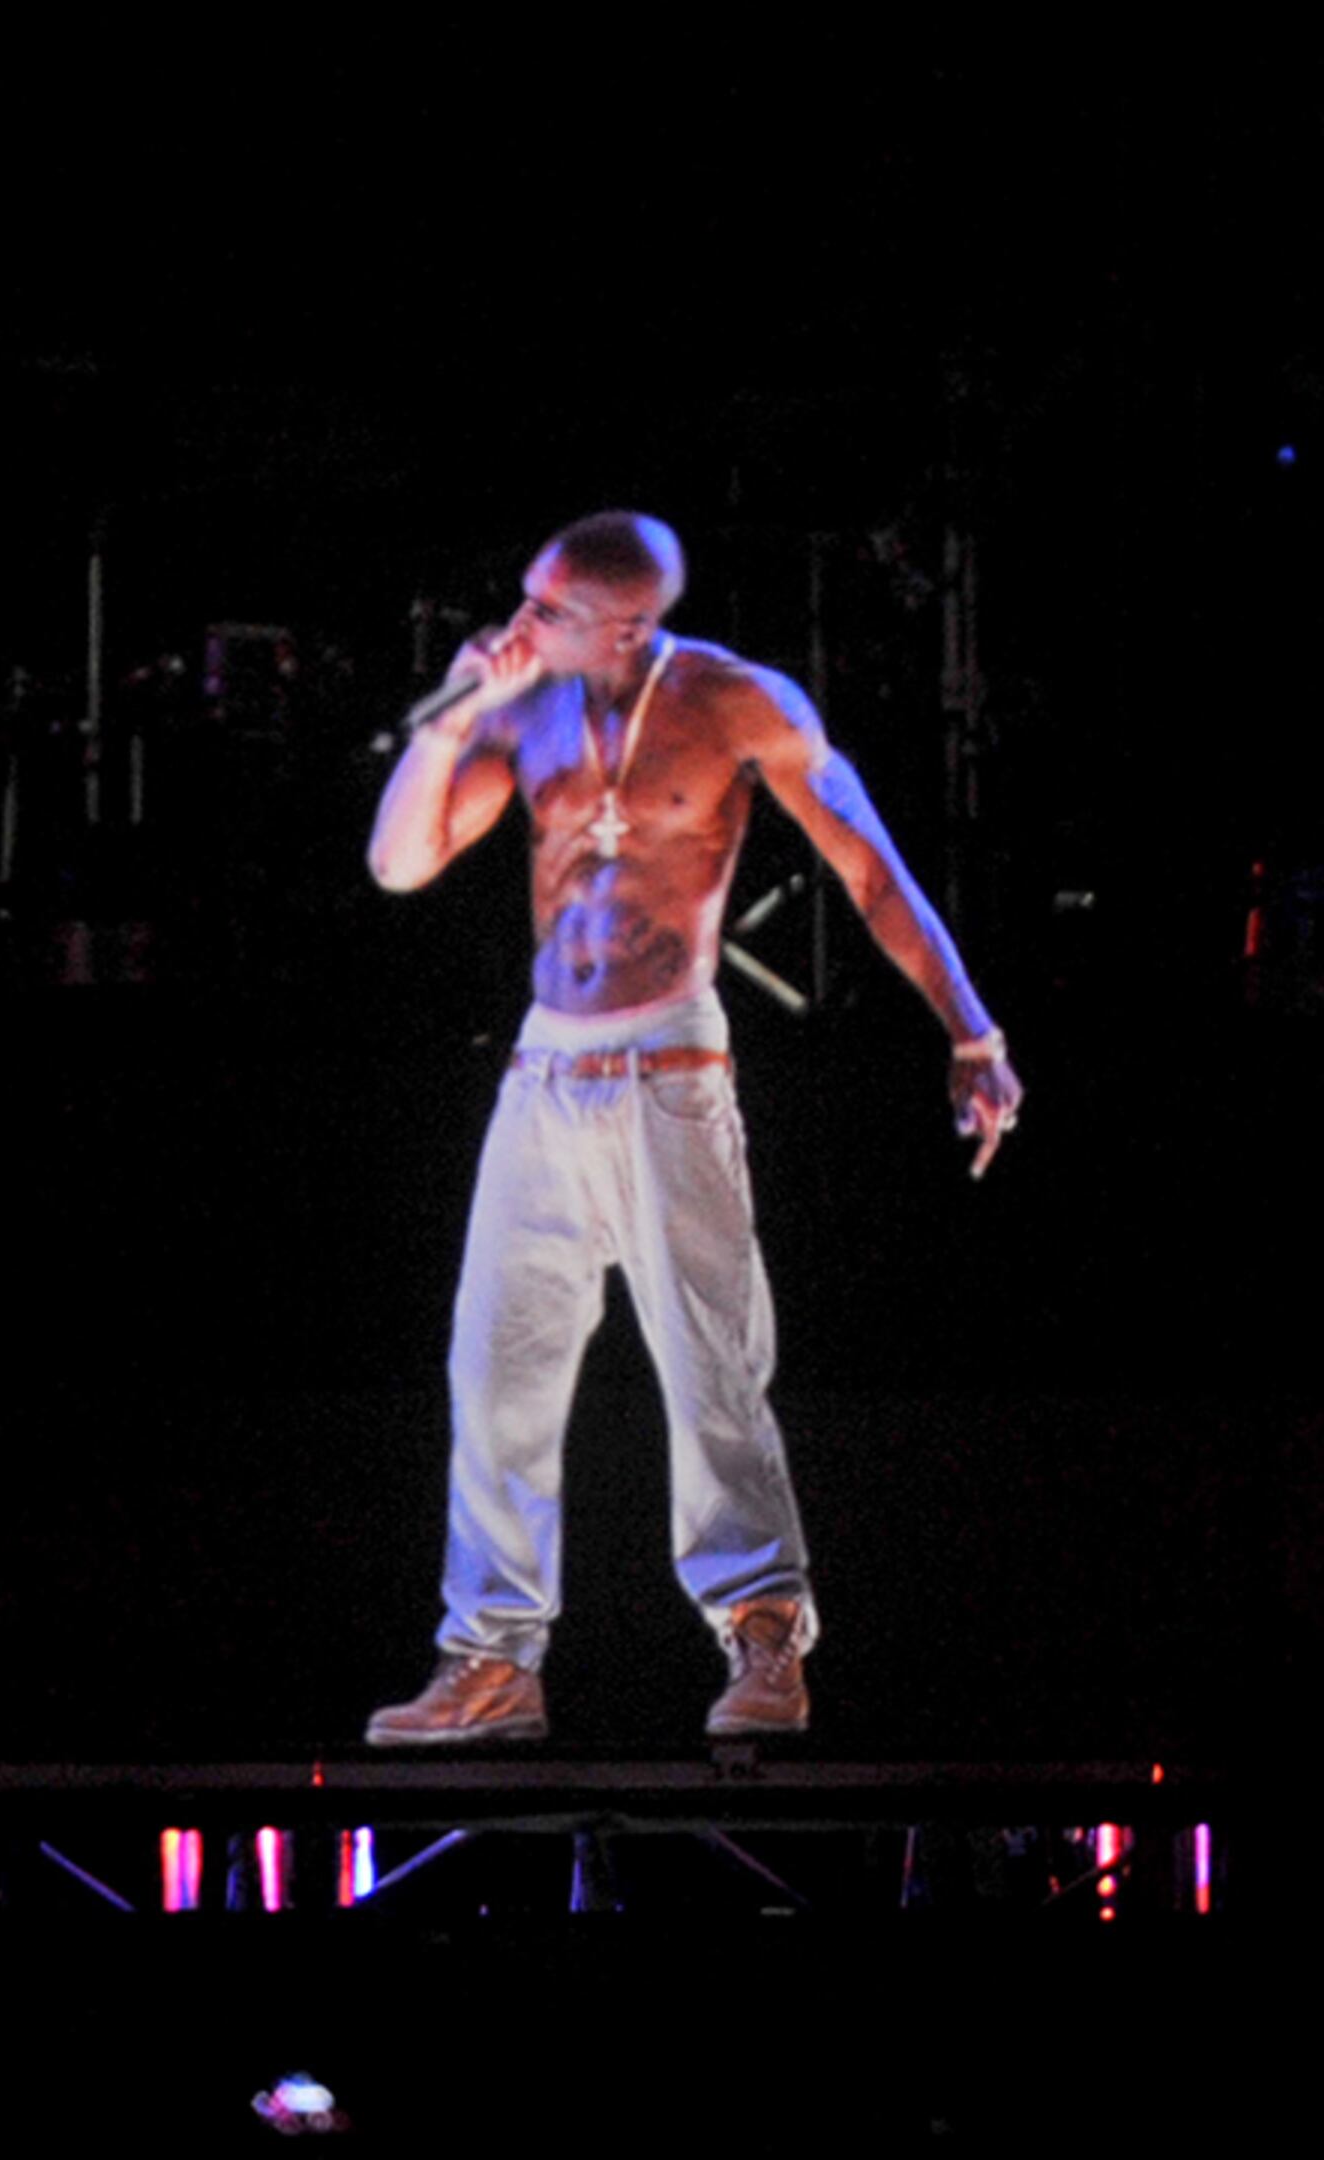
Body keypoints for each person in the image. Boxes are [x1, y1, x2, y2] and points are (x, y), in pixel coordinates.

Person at [358, 511, 1019, 1744]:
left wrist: (971, 1033)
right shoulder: (524, 704)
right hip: (544, 1072)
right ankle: (492, 1662)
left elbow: (869, 868)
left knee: (713, 1366)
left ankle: (764, 1636)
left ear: (630, 626)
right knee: (495, 1369)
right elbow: (400, 863)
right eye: (525, 599)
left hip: (671, 1064)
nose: (520, 625)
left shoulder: (734, 702)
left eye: (550, 610)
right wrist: (453, 710)